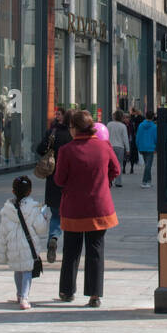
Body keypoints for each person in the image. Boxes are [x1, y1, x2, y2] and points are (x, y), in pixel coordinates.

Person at [53, 110, 119, 307]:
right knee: (95, 250)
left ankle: (67, 291)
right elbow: (116, 169)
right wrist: (103, 183)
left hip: (74, 208)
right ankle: (94, 295)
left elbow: (59, 180)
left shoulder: (66, 150)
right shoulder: (104, 146)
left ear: (75, 128)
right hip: (99, 207)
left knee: (71, 251)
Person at [0, 175, 50, 310]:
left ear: (13, 191)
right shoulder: (33, 208)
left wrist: (2, 253)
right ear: (29, 191)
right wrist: (44, 218)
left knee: (18, 270)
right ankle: (24, 298)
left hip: (13, 246)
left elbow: (2, 233)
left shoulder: (6, 210)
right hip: (28, 247)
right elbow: (41, 229)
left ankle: (19, 293)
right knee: (27, 271)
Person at [37, 111, 72, 264]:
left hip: (53, 179)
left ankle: (53, 237)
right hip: (70, 181)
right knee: (70, 216)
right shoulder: (73, 136)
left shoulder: (52, 132)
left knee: (56, 214)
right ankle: (69, 250)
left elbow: (39, 149)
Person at [135, 110, 158, 189]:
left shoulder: (141, 125)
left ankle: (149, 181)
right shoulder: (154, 127)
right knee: (148, 165)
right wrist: (156, 147)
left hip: (142, 147)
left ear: (145, 116)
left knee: (147, 165)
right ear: (153, 117)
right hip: (150, 148)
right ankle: (144, 182)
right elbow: (156, 138)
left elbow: (138, 137)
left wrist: (138, 146)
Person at [108, 110, 130, 188]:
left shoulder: (109, 124)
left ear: (114, 116)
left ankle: (109, 180)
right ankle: (118, 182)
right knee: (119, 164)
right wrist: (128, 149)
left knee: (109, 164)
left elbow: (106, 135)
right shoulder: (123, 126)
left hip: (110, 147)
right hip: (120, 147)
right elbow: (125, 138)